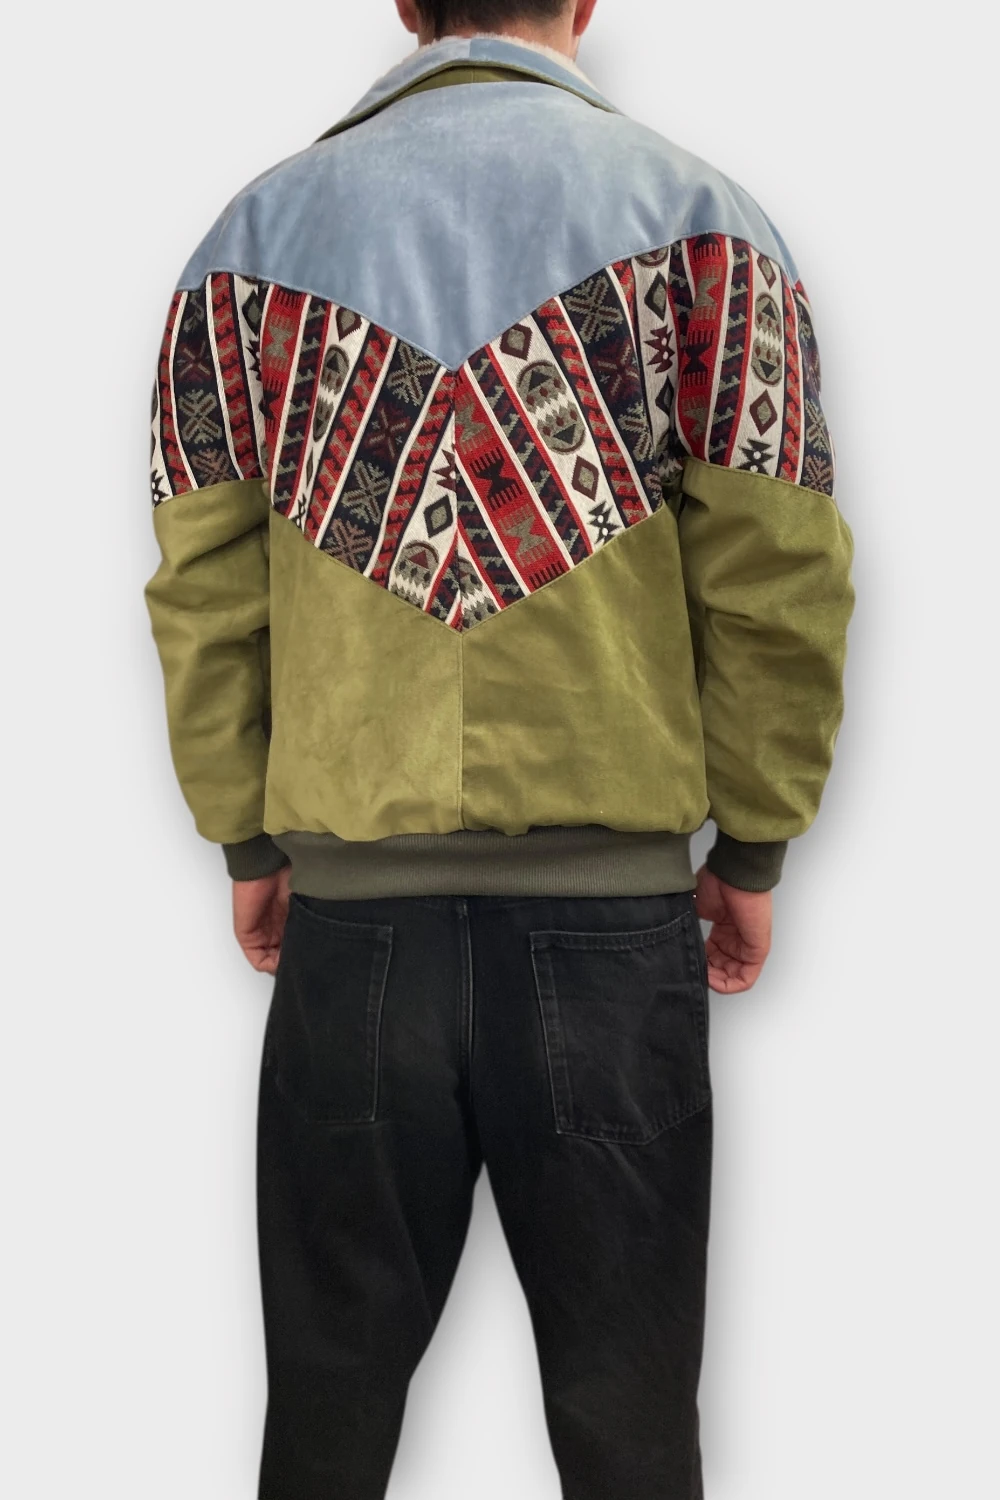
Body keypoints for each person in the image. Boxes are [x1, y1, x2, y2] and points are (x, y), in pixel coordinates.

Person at [145, 0, 855, 1494]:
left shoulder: (245, 250)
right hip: (611, 945)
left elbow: (203, 591)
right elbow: (778, 579)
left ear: (407, 6)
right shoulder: (706, 234)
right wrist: (756, 844)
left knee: (325, 1432)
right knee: (632, 1436)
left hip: (351, 942)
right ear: (584, 1)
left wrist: (246, 836)